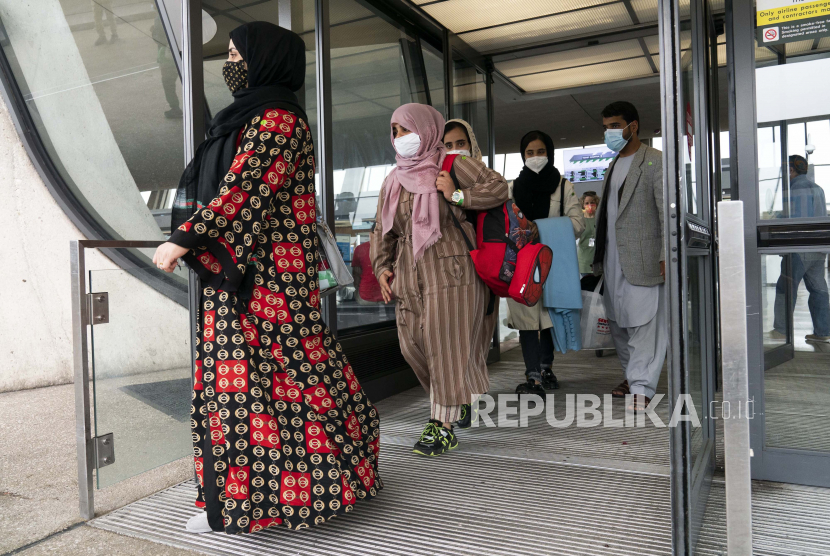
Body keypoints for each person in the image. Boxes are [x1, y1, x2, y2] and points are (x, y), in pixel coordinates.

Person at [153, 22, 381, 535]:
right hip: (250, 273)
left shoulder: (278, 121)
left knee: (266, 384)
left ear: (265, 61)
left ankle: (255, 502)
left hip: (268, 278)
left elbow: (242, 191)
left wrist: (182, 239)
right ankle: (232, 498)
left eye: (237, 53)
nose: (230, 62)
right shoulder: (254, 117)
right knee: (251, 386)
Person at [370, 104, 508, 456]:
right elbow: (381, 229)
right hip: (408, 274)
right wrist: (382, 266)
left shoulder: (453, 164)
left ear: (427, 129)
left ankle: (441, 424)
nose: (400, 138)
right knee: (412, 346)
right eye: (395, 131)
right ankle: (457, 399)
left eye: (406, 129)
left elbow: (499, 188)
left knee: (444, 347)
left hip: (452, 270)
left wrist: (458, 195)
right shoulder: (393, 180)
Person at [593, 101, 666, 413]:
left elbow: (667, 213)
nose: (610, 132)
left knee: (644, 323)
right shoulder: (613, 164)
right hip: (612, 260)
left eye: (615, 125)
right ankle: (632, 376)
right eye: (606, 126)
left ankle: (642, 387)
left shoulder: (654, 161)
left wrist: (667, 254)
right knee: (618, 322)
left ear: (633, 126)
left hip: (644, 258)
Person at [506, 131, 585, 396]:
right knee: (527, 320)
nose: (536, 157)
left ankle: (546, 366)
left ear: (549, 153)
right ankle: (533, 375)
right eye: (530, 152)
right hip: (521, 265)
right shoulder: (513, 188)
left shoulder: (563, 186)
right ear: (522, 155)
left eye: (540, 152)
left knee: (549, 317)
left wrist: (538, 229)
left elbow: (577, 224)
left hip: (551, 261)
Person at [443, 118, 501, 426]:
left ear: (472, 143)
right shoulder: (440, 176)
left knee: (480, 331)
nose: (455, 152)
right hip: (454, 268)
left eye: (460, 144)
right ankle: (465, 397)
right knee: (458, 334)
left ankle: (474, 396)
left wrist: (458, 195)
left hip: (486, 264)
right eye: (447, 146)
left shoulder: (482, 175)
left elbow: (499, 195)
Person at [772, 155, 830, 343]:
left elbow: (796, 220)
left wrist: (775, 221)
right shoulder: (818, 189)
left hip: (800, 248)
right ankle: (822, 331)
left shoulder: (796, 188)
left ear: (791, 170)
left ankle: (781, 329)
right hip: (819, 249)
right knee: (819, 290)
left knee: (785, 288)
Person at [578, 191, 600, 277]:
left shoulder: (600, 219)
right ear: (583, 204)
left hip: (598, 261)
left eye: (592, 202)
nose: (590, 205)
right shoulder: (580, 220)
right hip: (584, 262)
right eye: (587, 203)